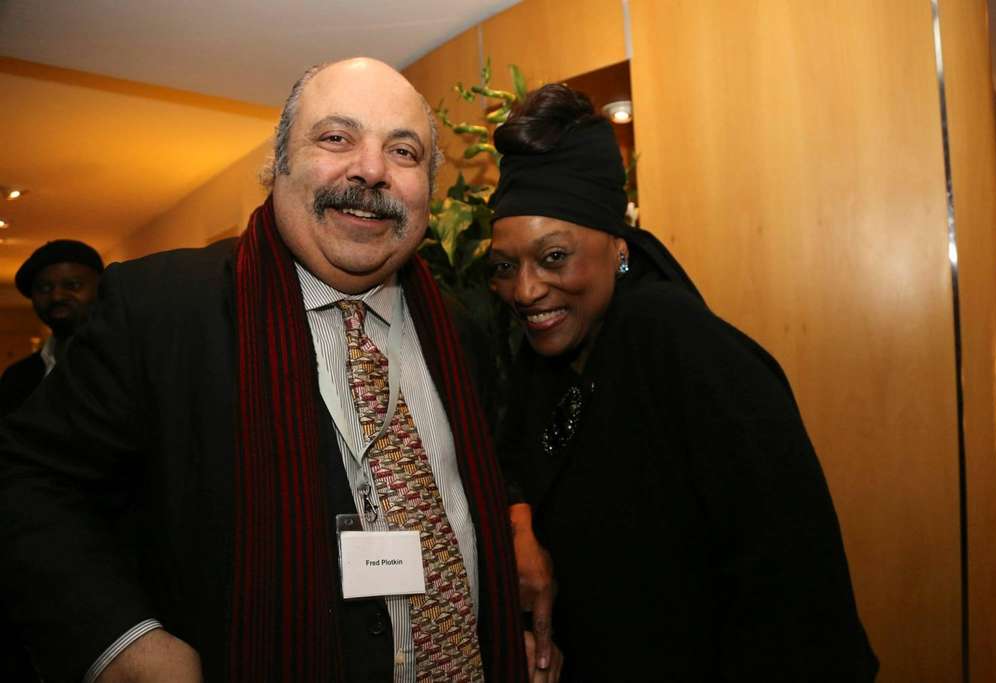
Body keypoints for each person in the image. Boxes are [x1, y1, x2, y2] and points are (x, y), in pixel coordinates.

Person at [0, 58, 528, 683]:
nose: (371, 169)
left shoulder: (459, 331)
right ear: (279, 165)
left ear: (428, 188)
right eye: (337, 137)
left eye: (403, 151)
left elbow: (484, 474)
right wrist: (121, 643)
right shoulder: (161, 310)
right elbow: (26, 480)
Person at [488, 84, 880, 681]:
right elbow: (512, 460)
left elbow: (792, 581)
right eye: (504, 266)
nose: (525, 289)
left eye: (554, 257)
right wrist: (521, 530)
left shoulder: (673, 340)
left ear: (618, 248)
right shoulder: (545, 358)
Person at [0, 239, 103, 416]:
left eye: (73, 285)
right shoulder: (16, 377)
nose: (57, 296)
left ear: (101, 288)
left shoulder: (126, 363)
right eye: (44, 288)